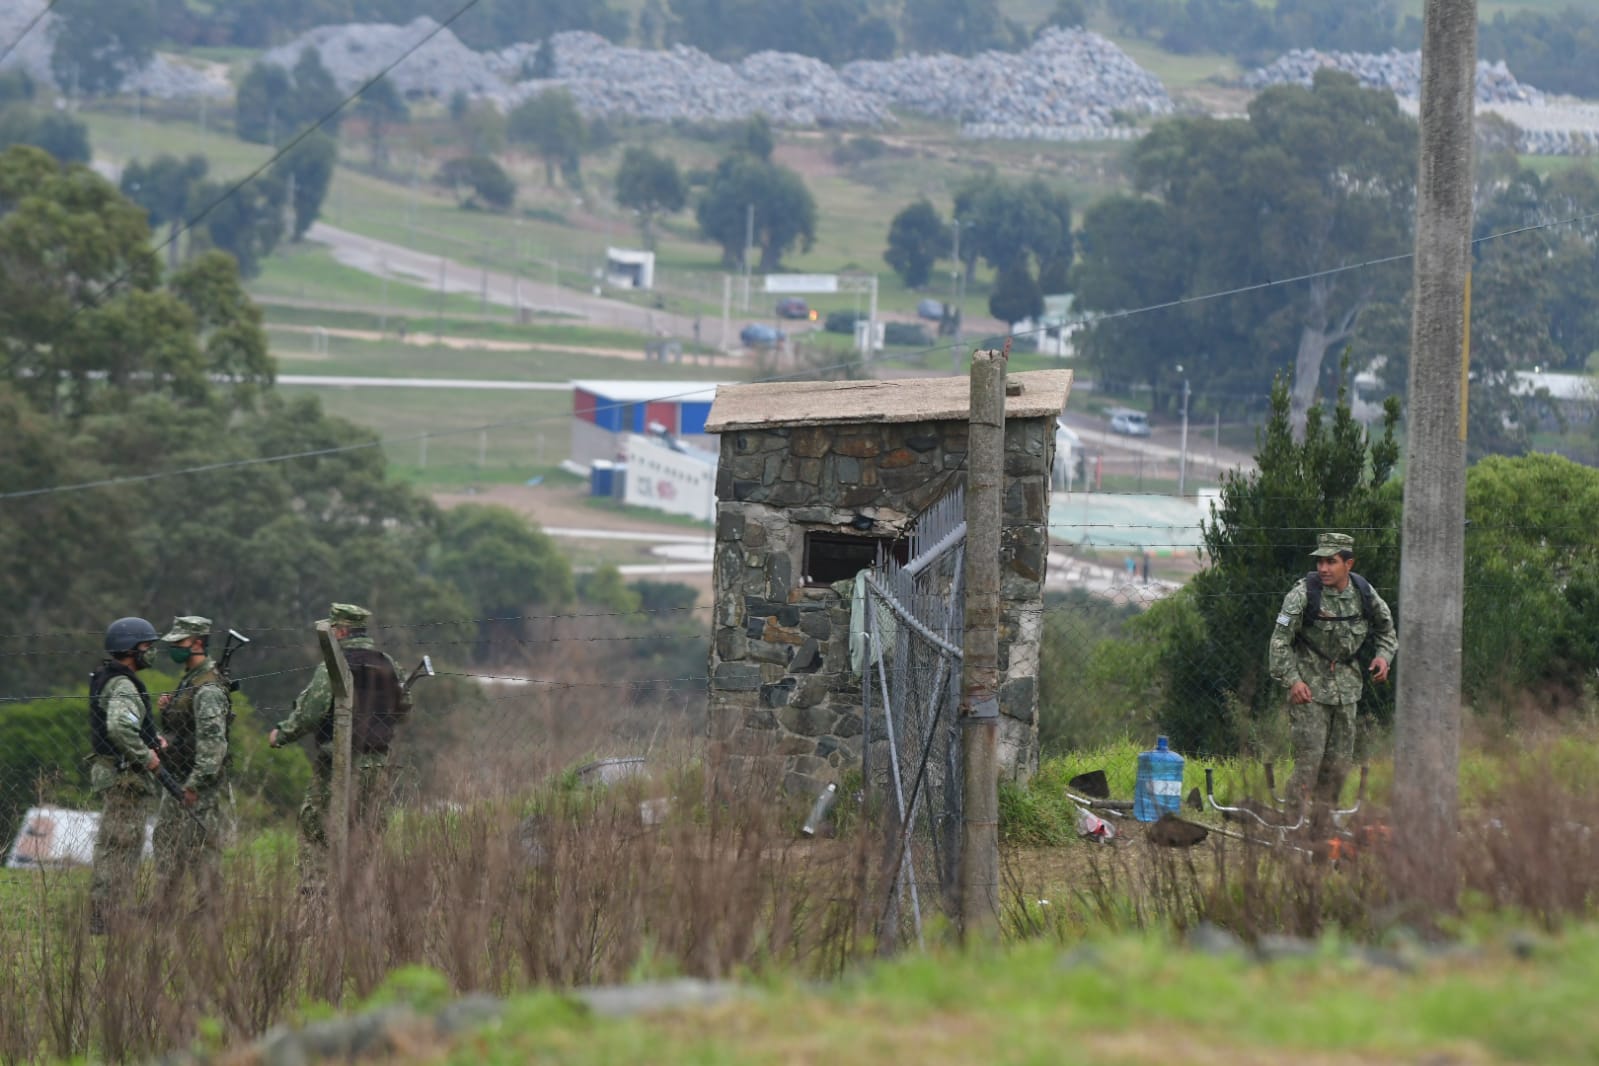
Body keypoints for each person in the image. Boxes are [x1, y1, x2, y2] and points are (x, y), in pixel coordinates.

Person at [269, 603, 411, 888]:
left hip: (338, 765)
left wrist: (281, 734)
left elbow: (310, 713)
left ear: (342, 631)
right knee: (367, 830)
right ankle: (362, 893)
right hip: (377, 764)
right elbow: (404, 708)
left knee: (317, 827)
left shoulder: (333, 666)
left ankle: (318, 892)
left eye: (333, 629)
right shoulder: (388, 664)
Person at [1268, 533, 1398, 814]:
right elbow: (1279, 641)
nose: (1323, 568)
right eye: (1320, 562)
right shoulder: (1302, 594)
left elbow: (1387, 630)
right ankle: (1292, 824)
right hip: (1309, 692)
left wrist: (1383, 657)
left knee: (1338, 765)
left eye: (1331, 562)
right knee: (1309, 763)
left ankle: (1322, 824)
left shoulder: (1364, 593)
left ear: (1348, 564)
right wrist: (1293, 680)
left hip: (1347, 691)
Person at [87, 616, 164, 934]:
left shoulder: (108, 677)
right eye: (147, 646)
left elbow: (126, 725)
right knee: (121, 846)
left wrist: (151, 738)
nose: (152, 652)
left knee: (115, 845)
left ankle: (106, 914)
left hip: (116, 773)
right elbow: (119, 727)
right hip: (124, 777)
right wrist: (147, 756)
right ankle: (107, 917)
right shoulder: (123, 684)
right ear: (132, 649)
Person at [152, 615, 233, 902]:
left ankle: (209, 909)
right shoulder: (191, 679)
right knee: (166, 839)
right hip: (179, 774)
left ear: (197, 644)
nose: (174, 647)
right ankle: (164, 904)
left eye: (180, 642)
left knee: (199, 845)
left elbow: (213, 744)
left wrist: (195, 784)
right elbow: (186, 728)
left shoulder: (207, 688)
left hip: (195, 780)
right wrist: (169, 708)